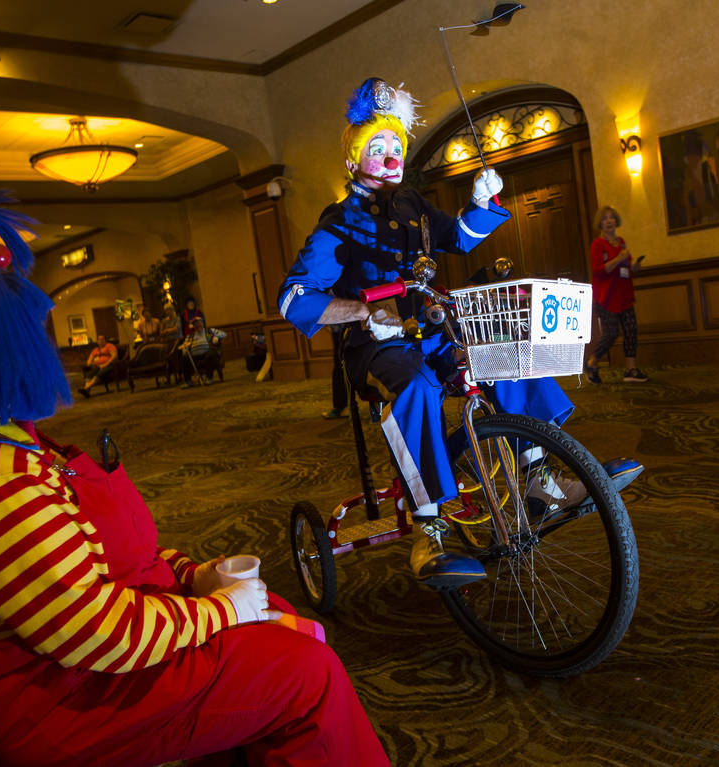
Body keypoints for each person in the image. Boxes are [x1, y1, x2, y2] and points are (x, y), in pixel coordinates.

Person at [0, 174, 390, 767]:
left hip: (69, 668)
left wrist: (193, 576)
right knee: (302, 670)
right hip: (67, 699)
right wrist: (220, 610)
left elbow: (81, 570)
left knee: (279, 627)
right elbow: (92, 631)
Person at [278, 78, 586, 587]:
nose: (391, 154)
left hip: (432, 328)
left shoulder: (413, 206)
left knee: (501, 349)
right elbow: (293, 298)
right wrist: (360, 310)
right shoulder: (337, 222)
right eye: (377, 148)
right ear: (354, 161)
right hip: (376, 349)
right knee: (416, 387)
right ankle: (429, 529)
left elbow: (460, 239)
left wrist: (481, 202)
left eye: (396, 145)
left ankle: (539, 480)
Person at [584, 205, 648, 384]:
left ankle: (631, 370)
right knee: (611, 333)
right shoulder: (598, 244)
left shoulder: (621, 242)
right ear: (600, 224)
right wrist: (619, 258)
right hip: (606, 297)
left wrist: (633, 267)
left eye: (611, 217)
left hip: (624, 295)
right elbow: (599, 270)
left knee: (631, 331)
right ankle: (592, 362)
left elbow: (625, 267)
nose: (609, 221)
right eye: (605, 218)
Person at [181, 317, 224, 387]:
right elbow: (185, 344)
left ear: (202, 323)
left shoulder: (209, 331)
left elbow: (223, 334)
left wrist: (216, 337)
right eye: (195, 324)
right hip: (194, 356)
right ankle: (188, 381)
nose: (198, 325)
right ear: (193, 326)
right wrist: (184, 348)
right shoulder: (191, 335)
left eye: (199, 323)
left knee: (210, 355)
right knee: (184, 358)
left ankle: (209, 378)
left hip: (207, 353)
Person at [79, 333, 118, 397]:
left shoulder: (110, 346)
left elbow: (114, 356)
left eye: (102, 339)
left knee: (99, 373)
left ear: (106, 340)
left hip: (108, 365)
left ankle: (85, 388)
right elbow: (89, 360)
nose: (101, 341)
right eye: (99, 339)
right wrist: (91, 364)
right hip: (97, 366)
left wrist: (105, 364)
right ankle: (86, 391)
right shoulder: (95, 350)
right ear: (97, 341)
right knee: (89, 374)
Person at [322, 324, 349, 420]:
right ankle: (341, 406)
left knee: (340, 368)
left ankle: (340, 407)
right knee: (341, 367)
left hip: (343, 327)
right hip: (345, 327)